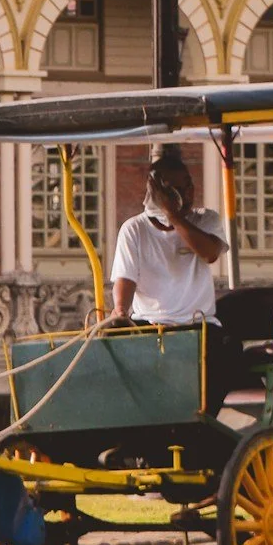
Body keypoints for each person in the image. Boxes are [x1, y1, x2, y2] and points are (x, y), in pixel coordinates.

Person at [106, 150, 240, 410]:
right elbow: (125, 279)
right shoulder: (134, 229)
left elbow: (210, 253)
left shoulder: (205, 220)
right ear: (157, 192)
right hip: (150, 324)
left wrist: (175, 216)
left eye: (188, 186)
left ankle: (204, 417)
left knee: (229, 350)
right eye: (176, 189)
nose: (187, 194)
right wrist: (120, 311)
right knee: (112, 349)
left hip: (199, 326)